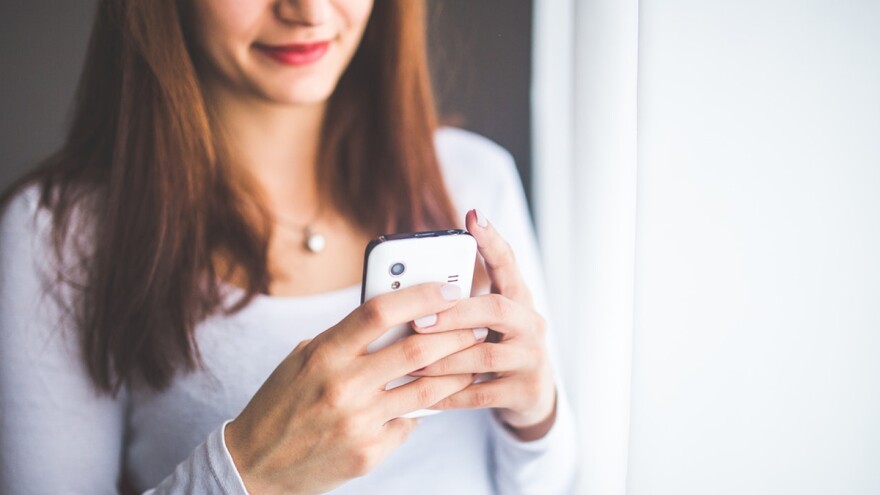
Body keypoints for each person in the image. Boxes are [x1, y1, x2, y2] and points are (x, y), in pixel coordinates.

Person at [0, 0, 577, 493]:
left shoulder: (474, 177)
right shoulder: (57, 234)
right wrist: (249, 471)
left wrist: (535, 416)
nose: (307, 12)